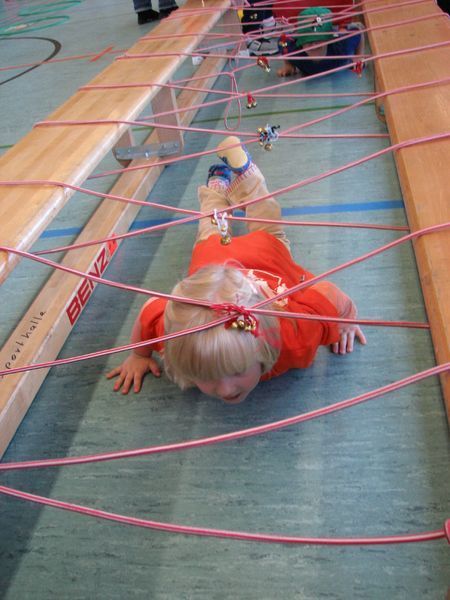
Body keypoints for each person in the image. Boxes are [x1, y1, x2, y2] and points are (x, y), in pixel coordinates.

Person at [107, 136, 366, 403]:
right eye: (206, 376)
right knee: (240, 218)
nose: (225, 390)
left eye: (237, 371)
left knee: (241, 221)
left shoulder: (295, 336)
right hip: (216, 254)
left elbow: (328, 294)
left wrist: (347, 318)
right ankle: (231, 178)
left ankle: (234, 178)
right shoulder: (181, 343)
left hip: (263, 253)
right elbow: (150, 311)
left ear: (263, 348)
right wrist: (139, 354)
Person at [277, 7, 364, 77]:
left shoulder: (342, 48)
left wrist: (358, 55)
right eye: (308, 41)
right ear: (301, 43)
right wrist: (288, 65)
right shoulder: (295, 52)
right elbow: (282, 41)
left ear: (329, 40)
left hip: (337, 33)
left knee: (345, 31)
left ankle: (342, 28)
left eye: (318, 40)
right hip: (297, 34)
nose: (314, 45)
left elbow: (357, 32)